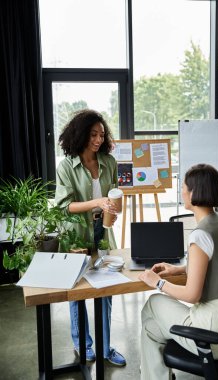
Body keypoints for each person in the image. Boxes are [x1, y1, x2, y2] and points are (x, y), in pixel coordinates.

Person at [138, 163, 218, 380]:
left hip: (214, 334)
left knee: (153, 303)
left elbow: (191, 295)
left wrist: (156, 282)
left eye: (184, 188)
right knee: (151, 329)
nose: (182, 192)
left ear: (195, 192)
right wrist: (179, 269)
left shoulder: (200, 235)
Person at [55, 109, 126, 366]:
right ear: (81, 134)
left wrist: (112, 211)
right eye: (93, 134)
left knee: (106, 287)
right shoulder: (66, 166)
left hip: (102, 231)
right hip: (76, 234)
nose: (98, 139)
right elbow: (64, 207)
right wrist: (98, 201)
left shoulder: (109, 162)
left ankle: (106, 347)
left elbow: (114, 196)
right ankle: (83, 346)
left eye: (102, 134)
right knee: (78, 292)